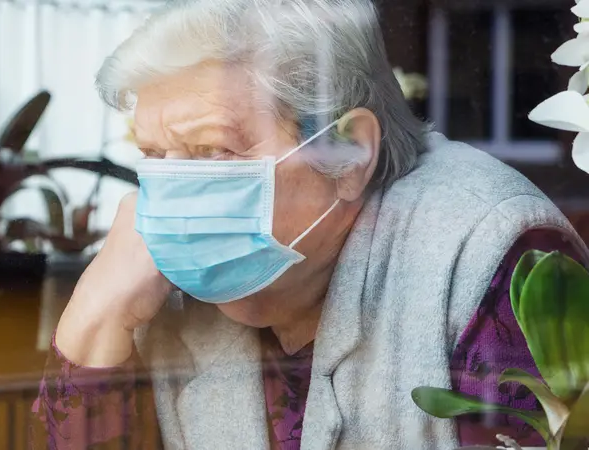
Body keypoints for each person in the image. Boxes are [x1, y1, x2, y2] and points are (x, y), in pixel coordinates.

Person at [30, 0, 588, 448]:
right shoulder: (162, 279)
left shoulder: (491, 251)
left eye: (213, 150)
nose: (173, 199)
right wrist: (95, 320)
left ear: (347, 156)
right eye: (155, 154)